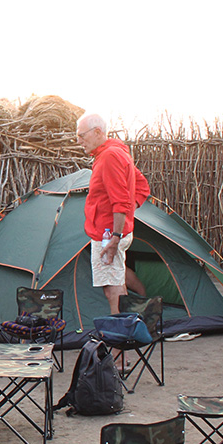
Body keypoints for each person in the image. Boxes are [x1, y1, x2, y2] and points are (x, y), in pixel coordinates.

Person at [76, 112, 150, 315]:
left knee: (111, 289)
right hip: (112, 231)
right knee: (116, 278)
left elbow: (120, 200)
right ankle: (128, 324)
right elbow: (142, 187)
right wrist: (127, 214)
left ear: (97, 132)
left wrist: (115, 236)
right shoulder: (116, 152)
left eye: (81, 135)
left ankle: (119, 333)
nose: (79, 141)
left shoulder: (109, 156)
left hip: (108, 234)